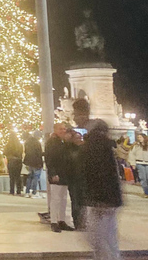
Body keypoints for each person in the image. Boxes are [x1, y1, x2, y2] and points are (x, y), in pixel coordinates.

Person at [73, 98, 122, 260]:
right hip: (102, 198)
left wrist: (101, 199)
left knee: (102, 239)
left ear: (82, 115)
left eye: (75, 114)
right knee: (101, 239)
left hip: (103, 200)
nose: (73, 118)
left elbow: (101, 172)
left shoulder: (96, 141)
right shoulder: (96, 140)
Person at [45, 123, 75, 232]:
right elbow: (49, 158)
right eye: (61, 129)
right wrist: (53, 173)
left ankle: (62, 220)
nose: (63, 131)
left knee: (63, 199)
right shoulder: (52, 142)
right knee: (56, 199)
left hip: (64, 174)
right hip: (56, 174)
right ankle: (54, 221)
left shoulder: (63, 142)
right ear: (56, 130)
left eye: (64, 129)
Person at [65, 128, 85, 230]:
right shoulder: (69, 149)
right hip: (73, 179)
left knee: (83, 201)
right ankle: (78, 222)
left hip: (83, 179)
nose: (79, 139)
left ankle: (83, 222)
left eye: (80, 137)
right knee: (76, 201)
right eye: (77, 138)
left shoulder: (84, 149)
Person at [23, 131, 44, 198]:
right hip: (36, 162)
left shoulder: (27, 142)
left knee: (29, 177)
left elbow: (26, 152)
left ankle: (27, 192)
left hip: (29, 162)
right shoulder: (37, 143)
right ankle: (34, 192)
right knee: (36, 177)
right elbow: (39, 154)